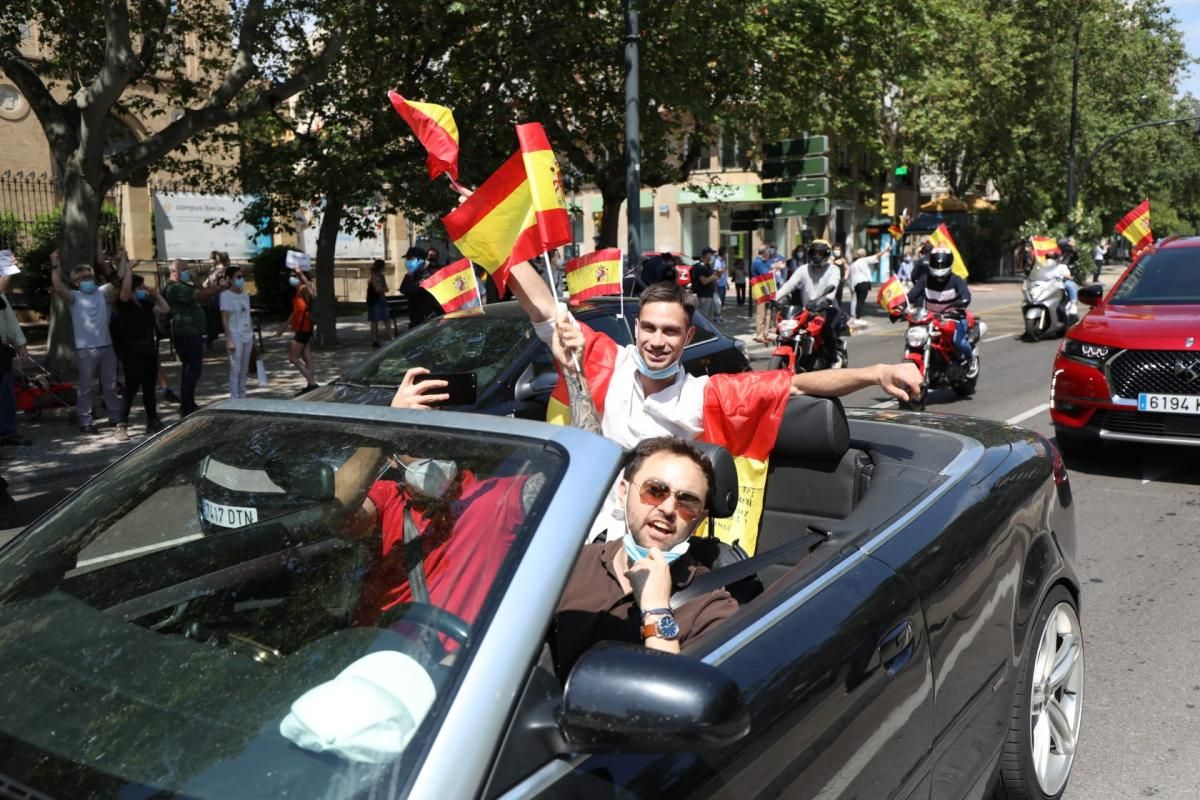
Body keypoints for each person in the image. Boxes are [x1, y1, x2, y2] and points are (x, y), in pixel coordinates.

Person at [528, 273, 921, 544]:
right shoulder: (605, 362)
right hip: (574, 534)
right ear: (636, 329)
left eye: (670, 331)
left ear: (688, 336)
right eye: (649, 328)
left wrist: (877, 372)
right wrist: (498, 233)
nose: (657, 341)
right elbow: (545, 310)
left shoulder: (706, 397)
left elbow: (797, 383)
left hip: (652, 546)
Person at [550, 436, 737, 679]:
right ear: (624, 491)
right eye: (655, 491)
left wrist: (657, 610)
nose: (668, 509)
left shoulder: (710, 609)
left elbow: (678, 709)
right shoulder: (569, 566)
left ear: (699, 519)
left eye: (687, 502)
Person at [50, 259, 122, 435]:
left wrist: (125, 260)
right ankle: (85, 420)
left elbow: (118, 279)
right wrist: (55, 265)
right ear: (76, 282)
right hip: (85, 349)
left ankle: (115, 417)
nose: (87, 280)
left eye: (89, 276)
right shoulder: (75, 296)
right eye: (82, 278)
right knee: (86, 386)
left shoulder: (102, 291)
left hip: (107, 346)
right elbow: (59, 288)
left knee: (110, 385)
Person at [901, 248, 978, 374]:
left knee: (957, 341)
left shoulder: (957, 280)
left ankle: (971, 360)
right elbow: (911, 295)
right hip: (931, 318)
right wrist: (901, 307)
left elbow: (966, 296)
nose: (939, 277)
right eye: (936, 264)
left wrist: (962, 303)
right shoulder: (925, 279)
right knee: (917, 339)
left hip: (954, 318)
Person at [165, 259, 226, 416]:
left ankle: (188, 402)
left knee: (192, 370)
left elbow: (200, 290)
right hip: (186, 333)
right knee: (191, 370)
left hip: (193, 332)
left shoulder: (184, 285)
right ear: (174, 272)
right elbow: (202, 295)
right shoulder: (175, 288)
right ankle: (187, 406)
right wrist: (222, 287)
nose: (188, 272)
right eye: (184, 269)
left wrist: (195, 279)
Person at [115, 264, 168, 436]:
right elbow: (124, 289)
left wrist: (157, 295)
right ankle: (121, 424)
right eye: (139, 287)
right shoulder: (123, 304)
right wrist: (128, 269)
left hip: (148, 350)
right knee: (131, 388)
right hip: (131, 352)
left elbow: (165, 309)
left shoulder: (146, 304)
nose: (142, 289)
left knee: (149, 389)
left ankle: (152, 420)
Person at [774, 240, 845, 362]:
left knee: (827, 329)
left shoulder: (833, 269)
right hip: (807, 309)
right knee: (792, 330)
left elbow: (833, 285)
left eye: (820, 253)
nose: (816, 256)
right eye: (814, 253)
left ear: (826, 254)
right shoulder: (803, 269)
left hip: (827, 308)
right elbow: (789, 284)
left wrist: (827, 300)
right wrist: (775, 298)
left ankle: (834, 357)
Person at [0, 264, 30, 447]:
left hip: (1, 350)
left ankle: (7, 431)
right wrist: (8, 270)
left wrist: (19, 342)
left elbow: (8, 318)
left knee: (5, 393)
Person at [275, 268, 318, 394]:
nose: (291, 277)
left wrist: (300, 273)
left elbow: (311, 291)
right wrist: (283, 327)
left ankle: (311, 383)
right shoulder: (297, 292)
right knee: (306, 356)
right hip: (303, 328)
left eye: (294, 275)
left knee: (293, 358)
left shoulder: (303, 289)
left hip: (304, 329)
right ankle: (310, 384)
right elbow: (295, 313)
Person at [219, 266, 254, 400]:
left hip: (247, 334)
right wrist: (228, 338)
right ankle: (234, 398)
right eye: (238, 277)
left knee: (244, 368)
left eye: (242, 277)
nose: (241, 280)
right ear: (229, 279)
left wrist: (252, 334)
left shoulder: (245, 295)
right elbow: (224, 318)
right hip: (235, 334)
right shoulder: (225, 296)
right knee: (236, 367)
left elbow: (248, 315)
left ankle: (242, 395)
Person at [399, 247, 443, 328]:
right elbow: (403, 290)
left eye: (410, 259)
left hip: (429, 321)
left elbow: (412, 290)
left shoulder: (430, 273)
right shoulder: (413, 274)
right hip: (416, 320)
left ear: (419, 260)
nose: (408, 261)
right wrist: (410, 274)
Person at [848, 246, 886, 320]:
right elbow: (877, 255)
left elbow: (851, 276)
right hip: (864, 283)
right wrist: (886, 249)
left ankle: (855, 315)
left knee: (857, 300)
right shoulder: (864, 260)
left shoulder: (853, 264)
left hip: (856, 283)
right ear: (864, 254)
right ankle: (858, 317)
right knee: (861, 301)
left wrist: (851, 286)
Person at [204, 251, 230, 352]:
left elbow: (206, 284)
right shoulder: (224, 271)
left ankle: (210, 339)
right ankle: (211, 340)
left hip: (214, 299)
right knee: (225, 322)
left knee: (216, 322)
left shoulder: (213, 271)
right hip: (223, 299)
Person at [750, 245, 774, 342]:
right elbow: (766, 274)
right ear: (765, 252)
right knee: (761, 313)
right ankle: (759, 334)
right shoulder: (757, 262)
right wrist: (775, 268)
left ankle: (766, 333)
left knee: (768, 312)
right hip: (760, 289)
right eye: (768, 251)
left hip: (767, 289)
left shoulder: (765, 262)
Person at [366, 258, 391, 348]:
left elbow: (386, 288)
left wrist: (382, 288)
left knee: (386, 319)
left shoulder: (382, 276)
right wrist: (382, 288)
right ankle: (374, 340)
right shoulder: (372, 276)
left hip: (382, 300)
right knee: (374, 321)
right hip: (374, 301)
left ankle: (391, 337)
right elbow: (378, 289)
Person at [691, 248, 719, 321]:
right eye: (711, 254)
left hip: (710, 294)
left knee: (710, 318)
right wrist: (713, 277)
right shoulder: (700, 266)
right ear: (706, 255)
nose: (712, 256)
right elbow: (704, 281)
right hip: (703, 295)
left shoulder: (708, 266)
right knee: (704, 318)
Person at [830, 244, 850, 314]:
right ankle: (832, 311)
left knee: (839, 297)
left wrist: (845, 277)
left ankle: (838, 312)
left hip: (840, 281)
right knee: (832, 297)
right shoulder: (831, 260)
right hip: (832, 281)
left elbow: (847, 268)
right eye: (835, 249)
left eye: (838, 249)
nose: (837, 251)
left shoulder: (842, 259)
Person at [713, 248, 728, 321]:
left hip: (723, 283)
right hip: (718, 284)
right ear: (723, 253)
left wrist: (726, 283)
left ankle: (719, 315)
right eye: (726, 253)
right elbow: (716, 271)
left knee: (722, 301)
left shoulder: (723, 261)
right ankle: (716, 316)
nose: (727, 254)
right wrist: (723, 269)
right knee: (718, 302)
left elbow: (724, 272)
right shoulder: (718, 261)